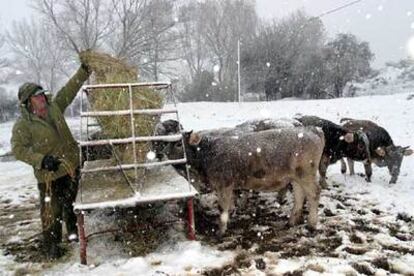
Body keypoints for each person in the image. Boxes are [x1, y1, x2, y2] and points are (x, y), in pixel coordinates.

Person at [11, 54, 91, 259]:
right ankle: (52, 246)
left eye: (42, 95)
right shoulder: (23, 125)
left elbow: (69, 89)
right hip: (49, 175)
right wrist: (41, 160)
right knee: (51, 212)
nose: (42, 98)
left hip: (71, 166)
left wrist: (84, 70)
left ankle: (73, 234)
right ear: (28, 102)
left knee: (72, 204)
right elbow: (18, 149)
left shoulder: (55, 107)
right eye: (37, 96)